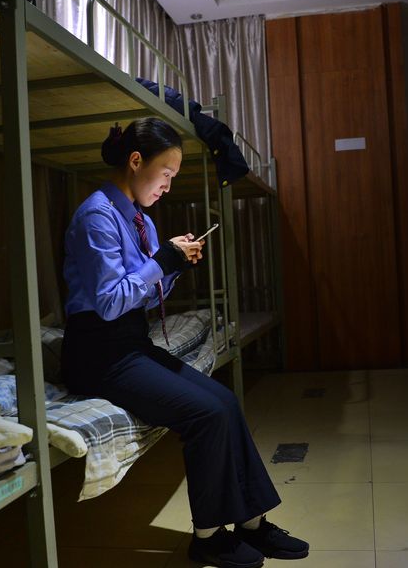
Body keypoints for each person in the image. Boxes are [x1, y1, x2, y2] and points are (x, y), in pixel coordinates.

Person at [60, 117, 309, 568]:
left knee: (225, 401)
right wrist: (161, 261)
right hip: (98, 353)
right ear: (136, 161)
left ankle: (252, 523)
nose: (168, 187)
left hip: (129, 343)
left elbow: (146, 291)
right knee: (206, 415)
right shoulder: (97, 215)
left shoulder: (140, 219)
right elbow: (110, 303)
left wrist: (173, 264)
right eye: (166, 174)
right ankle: (208, 537)